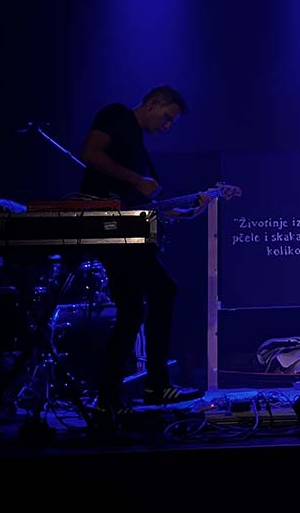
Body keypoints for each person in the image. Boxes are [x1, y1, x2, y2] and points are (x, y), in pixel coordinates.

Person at [78, 85, 211, 411]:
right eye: (167, 118)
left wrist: (183, 211)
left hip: (122, 227)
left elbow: (138, 202)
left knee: (132, 311)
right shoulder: (116, 114)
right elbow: (91, 153)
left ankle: (109, 396)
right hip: (109, 226)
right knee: (163, 290)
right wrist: (137, 180)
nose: (167, 126)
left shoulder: (137, 146)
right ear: (153, 104)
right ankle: (156, 385)